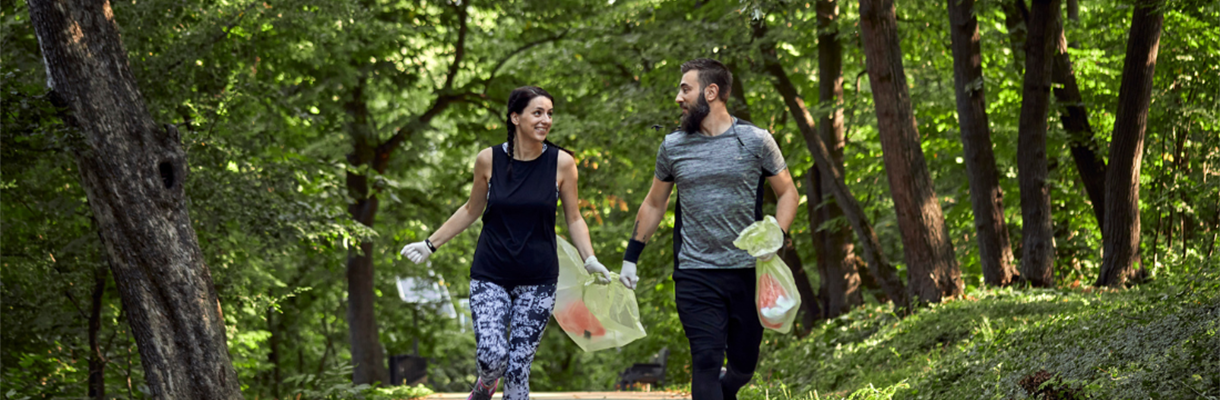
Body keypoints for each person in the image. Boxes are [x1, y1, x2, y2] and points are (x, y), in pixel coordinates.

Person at [400, 86, 611, 400]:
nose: (546, 120)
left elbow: (575, 218)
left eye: (549, 113)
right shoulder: (489, 160)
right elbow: (471, 209)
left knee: (518, 369)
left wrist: (589, 259)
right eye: (537, 112)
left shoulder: (562, 163)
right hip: (490, 275)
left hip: (539, 279)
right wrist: (430, 244)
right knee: (493, 357)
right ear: (515, 117)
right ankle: (485, 384)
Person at [617, 58, 799, 400]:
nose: (678, 98)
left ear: (711, 92)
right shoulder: (673, 146)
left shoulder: (756, 140)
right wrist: (631, 257)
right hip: (695, 271)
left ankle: (728, 389)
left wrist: (777, 234)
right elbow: (654, 204)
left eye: (685, 89)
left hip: (749, 272)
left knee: (743, 366)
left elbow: (788, 193)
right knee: (705, 360)